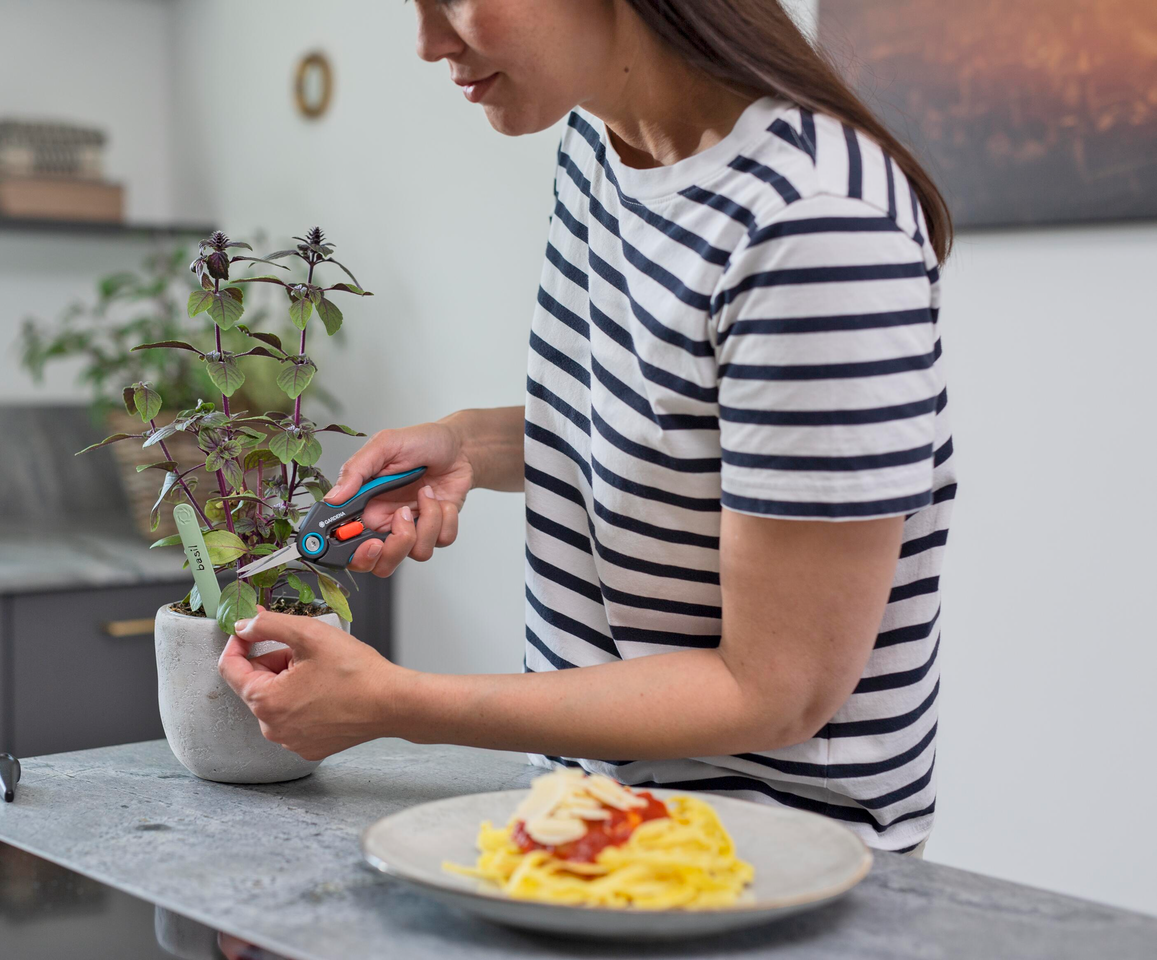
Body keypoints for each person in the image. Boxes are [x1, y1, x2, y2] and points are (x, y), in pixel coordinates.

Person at [220, 0, 954, 856]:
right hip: (593, 829)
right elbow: (686, 426)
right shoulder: (599, 147)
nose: (428, 42)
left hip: (768, 871)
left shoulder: (817, 224)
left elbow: (775, 690)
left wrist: (395, 704)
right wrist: (473, 445)